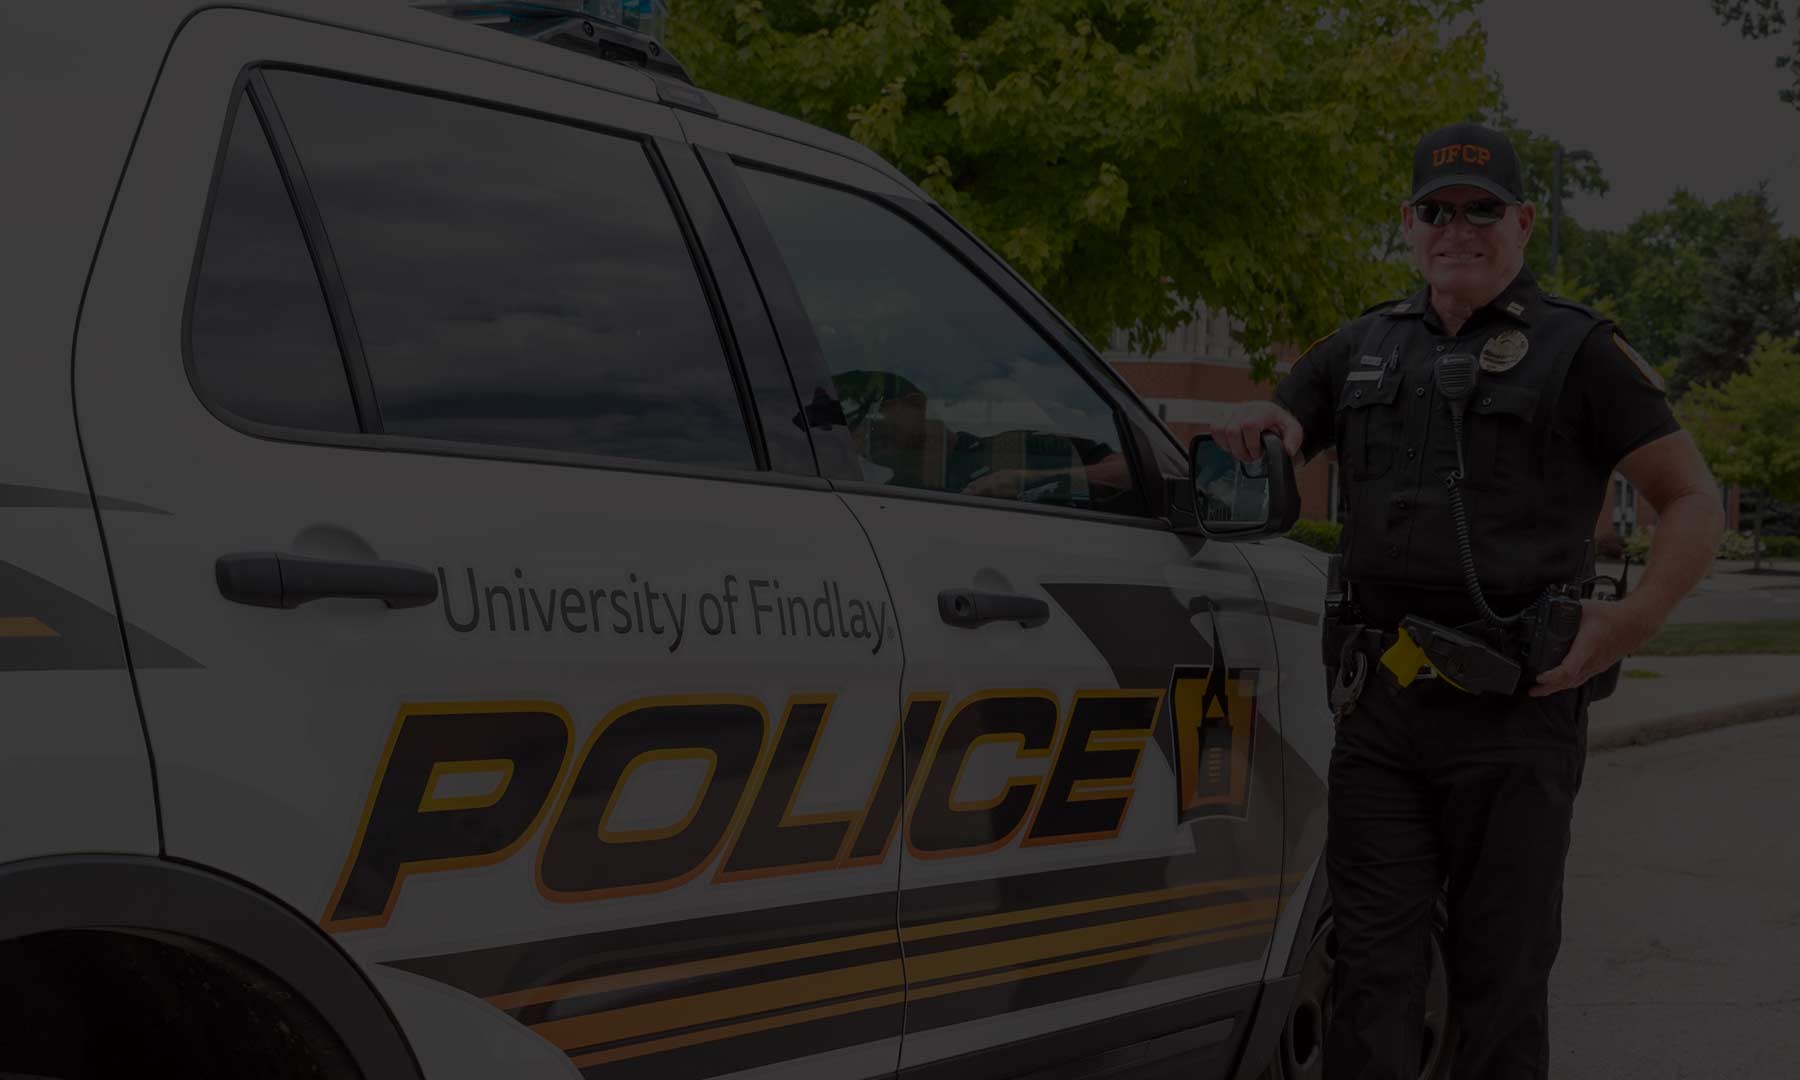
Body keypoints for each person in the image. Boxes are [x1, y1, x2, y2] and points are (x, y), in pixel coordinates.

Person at [1216, 122, 1724, 1080]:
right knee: (1370, 970)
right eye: (1436, 211)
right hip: (1383, 712)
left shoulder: (1580, 351)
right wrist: (1265, 420)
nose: (1458, 228)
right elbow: (1288, 422)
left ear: (1523, 221)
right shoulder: (1365, 346)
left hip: (1517, 713)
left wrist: (1629, 623)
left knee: (1500, 982)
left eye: (1481, 209)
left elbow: (1690, 496)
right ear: (1408, 226)